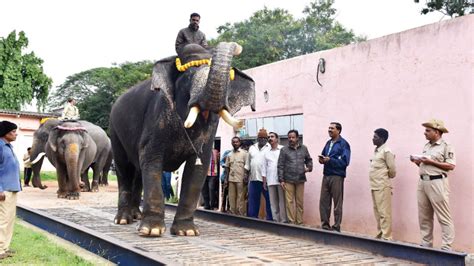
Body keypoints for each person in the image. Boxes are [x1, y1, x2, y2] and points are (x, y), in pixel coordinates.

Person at [410, 119, 455, 250]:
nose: (425, 133)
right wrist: (418, 161)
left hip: (438, 182)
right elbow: (426, 163)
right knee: (424, 216)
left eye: (428, 131)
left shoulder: (446, 145)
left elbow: (451, 165)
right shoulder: (427, 146)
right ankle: (426, 245)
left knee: (444, 216)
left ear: (437, 132)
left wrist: (430, 162)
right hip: (422, 182)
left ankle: (446, 247)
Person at [319, 122, 351, 232]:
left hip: (337, 176)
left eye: (332, 128)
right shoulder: (328, 143)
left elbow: (345, 162)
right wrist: (322, 159)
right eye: (329, 128)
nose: (329, 130)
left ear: (338, 130)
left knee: (337, 203)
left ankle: (336, 226)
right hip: (326, 175)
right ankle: (325, 225)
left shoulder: (344, 144)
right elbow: (324, 154)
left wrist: (330, 160)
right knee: (323, 202)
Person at [278, 129, 313, 225]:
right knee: (289, 202)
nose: (291, 139)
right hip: (288, 179)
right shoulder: (284, 150)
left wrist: (309, 167)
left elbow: (309, 160)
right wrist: (281, 180)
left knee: (299, 202)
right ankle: (291, 222)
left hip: (300, 178)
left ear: (297, 138)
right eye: (289, 137)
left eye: (293, 137)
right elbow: (280, 165)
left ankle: (299, 222)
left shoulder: (304, 148)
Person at [369, 128, 396, 240]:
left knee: (384, 213)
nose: (373, 139)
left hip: (382, 185)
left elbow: (392, 171)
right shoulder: (377, 151)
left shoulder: (386, 151)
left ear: (382, 139)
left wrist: (384, 178)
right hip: (374, 185)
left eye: (375, 137)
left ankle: (387, 237)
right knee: (377, 212)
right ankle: (380, 233)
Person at [0, 121, 21, 260]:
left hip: (12, 188)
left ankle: (4, 247)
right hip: (4, 190)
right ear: (5, 133)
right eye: (13, 131)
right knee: (3, 220)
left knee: (9, 219)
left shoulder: (8, 146)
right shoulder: (0, 147)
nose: (16, 134)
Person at [262, 132, 287, 223]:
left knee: (282, 201)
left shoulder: (283, 149)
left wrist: (284, 179)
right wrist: (264, 181)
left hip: (281, 180)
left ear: (277, 138)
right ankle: (276, 220)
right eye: (269, 137)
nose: (270, 138)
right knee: (273, 202)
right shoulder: (266, 152)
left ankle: (284, 220)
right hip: (270, 180)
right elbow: (264, 168)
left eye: (272, 137)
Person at [247, 129, 272, 220]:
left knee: (269, 200)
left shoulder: (270, 147)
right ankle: (253, 219)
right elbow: (248, 163)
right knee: (253, 200)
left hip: (266, 180)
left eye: (264, 138)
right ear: (257, 138)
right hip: (254, 178)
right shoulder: (252, 148)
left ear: (267, 139)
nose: (262, 139)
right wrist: (246, 176)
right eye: (260, 137)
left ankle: (270, 219)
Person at [224, 137, 249, 216]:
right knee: (231, 197)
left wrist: (246, 176)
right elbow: (227, 167)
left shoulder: (244, 153)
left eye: (236, 142)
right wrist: (226, 179)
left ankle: (240, 213)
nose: (235, 143)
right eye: (233, 142)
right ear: (232, 143)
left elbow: (247, 166)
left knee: (240, 197)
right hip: (231, 179)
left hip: (241, 179)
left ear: (239, 143)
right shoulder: (229, 155)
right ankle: (233, 212)